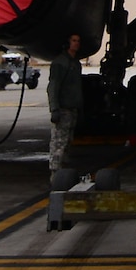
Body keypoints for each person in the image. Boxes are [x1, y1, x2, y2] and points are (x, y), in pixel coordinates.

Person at [47, 32, 83, 185]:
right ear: (68, 43)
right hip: (63, 110)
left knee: (67, 143)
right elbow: (53, 86)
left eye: (78, 41)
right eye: (73, 41)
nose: (76, 44)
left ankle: (64, 175)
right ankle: (55, 175)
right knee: (58, 144)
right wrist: (54, 108)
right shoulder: (60, 63)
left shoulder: (75, 63)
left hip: (72, 110)